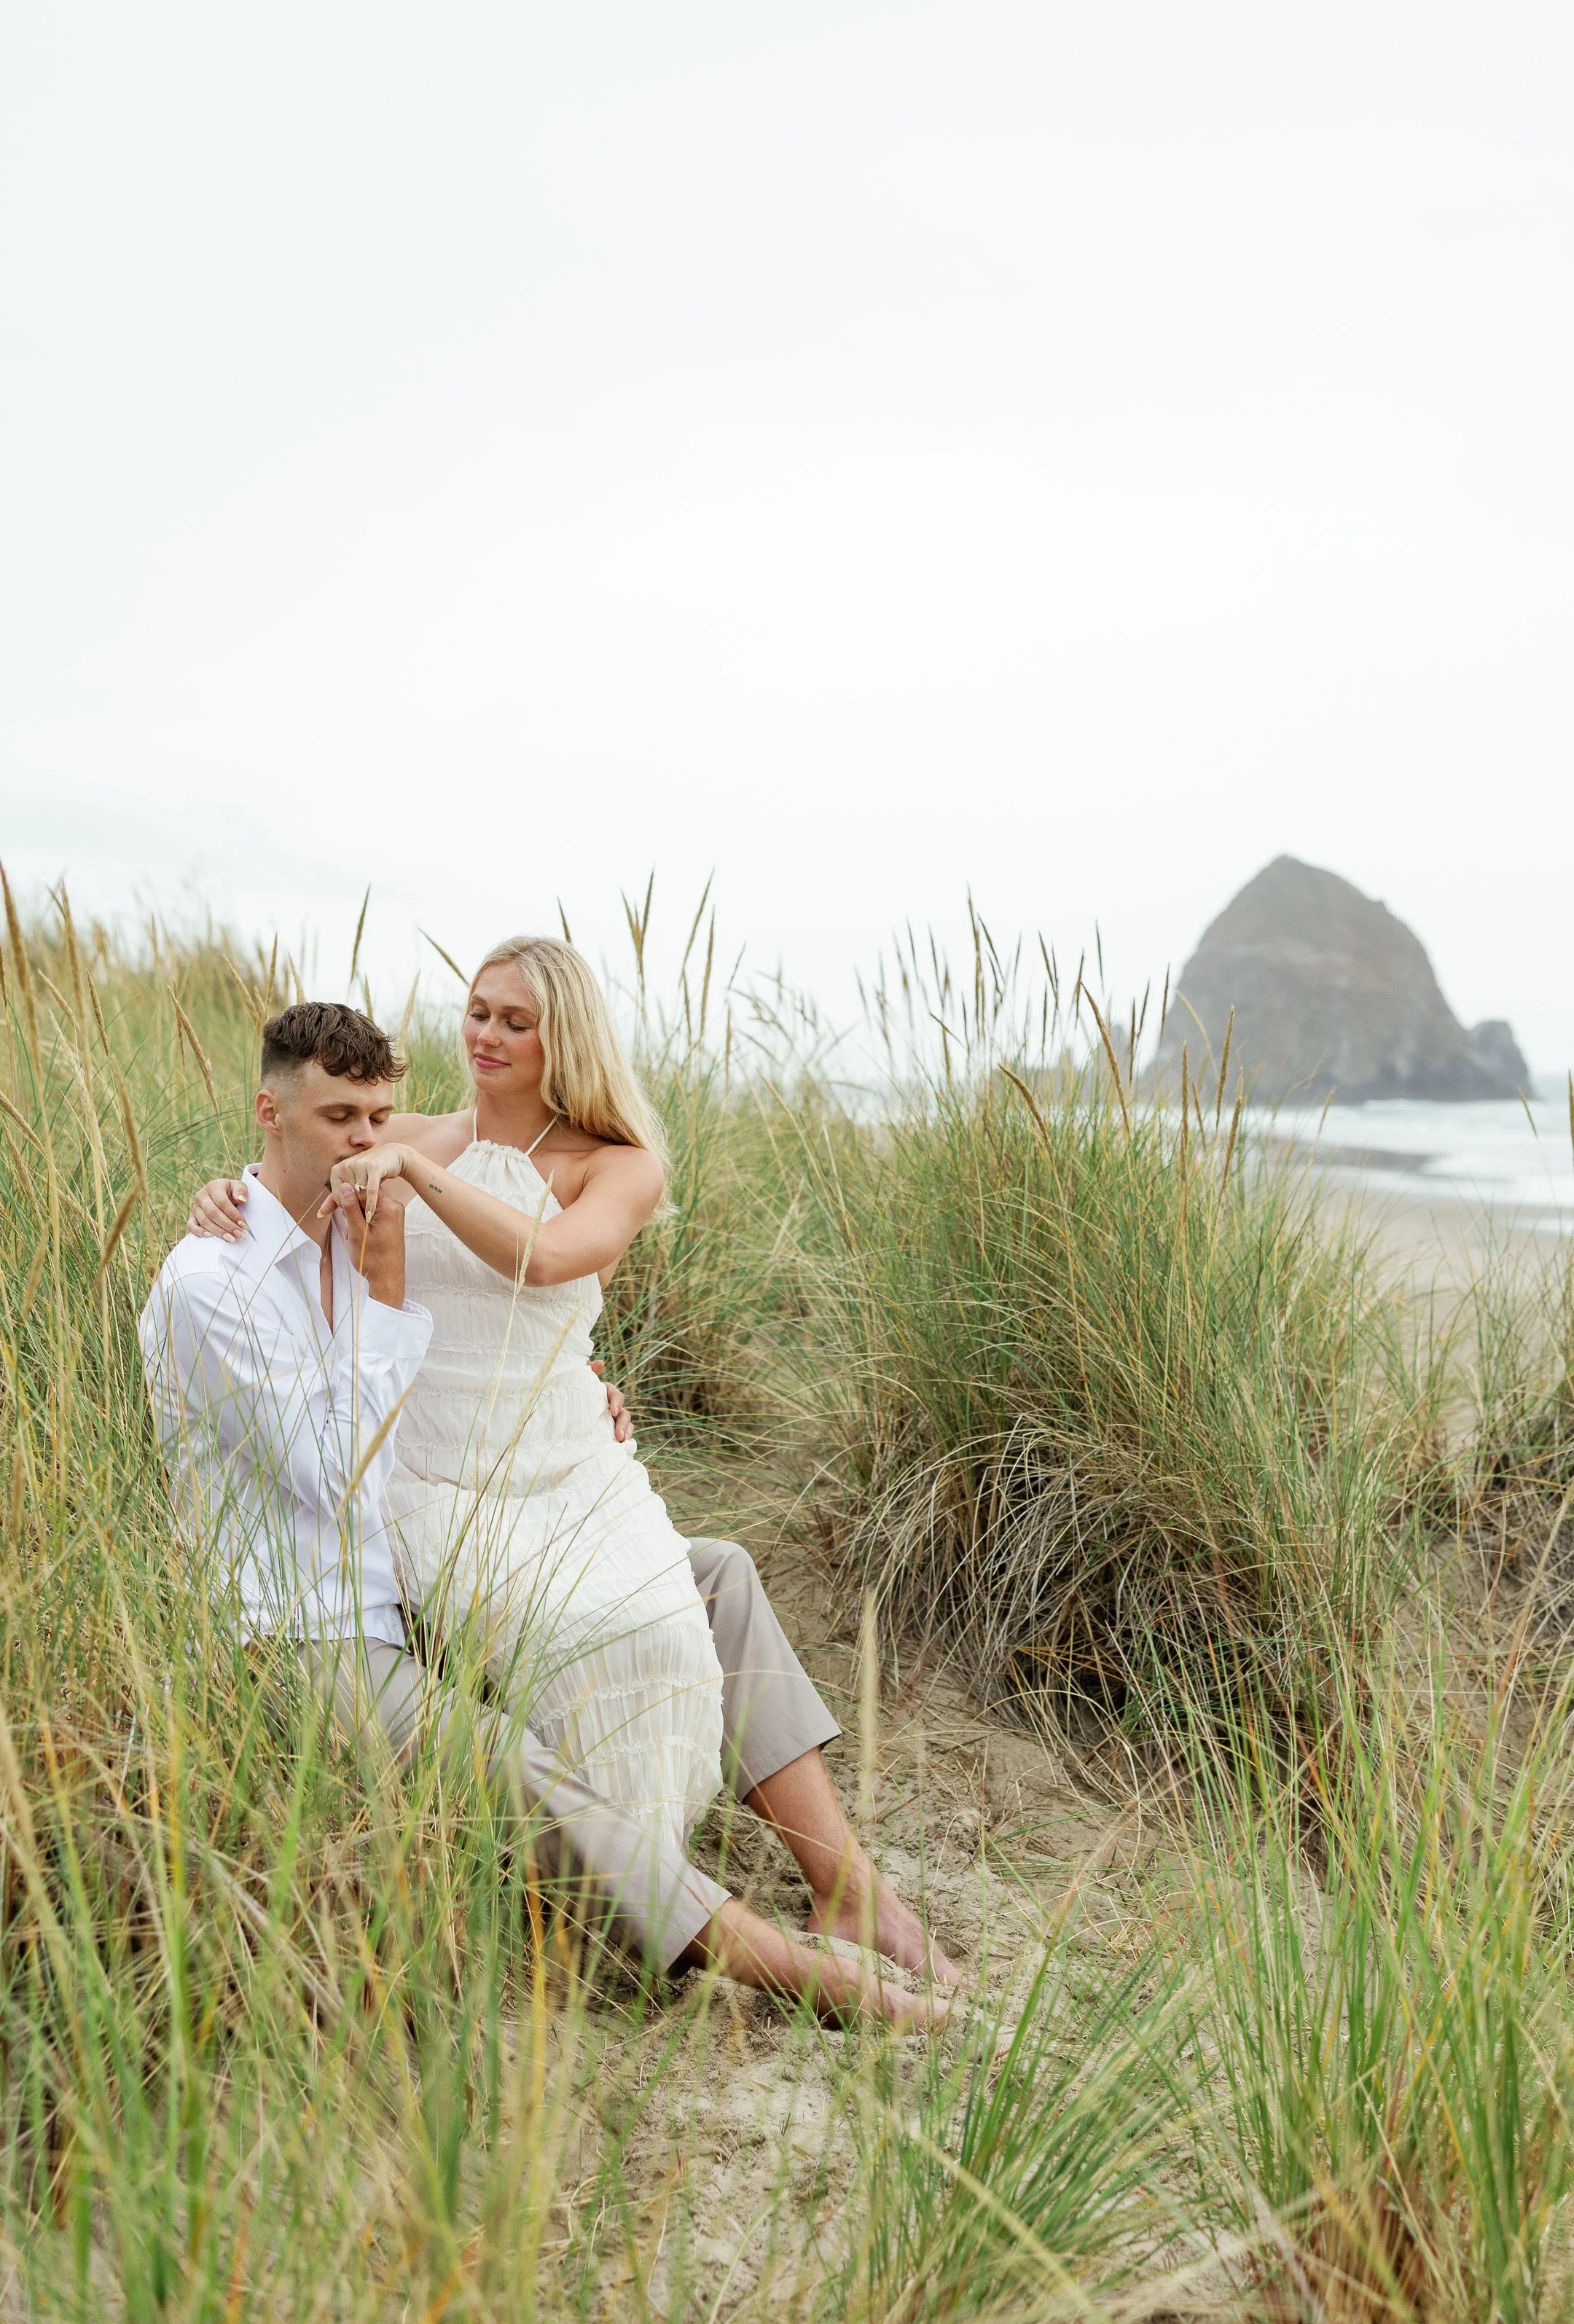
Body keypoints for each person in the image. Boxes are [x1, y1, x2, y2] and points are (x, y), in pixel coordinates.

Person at [164, 998, 954, 2022]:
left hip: (417, 1550)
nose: (365, 1141)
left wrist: (574, 1397)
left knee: (707, 1573)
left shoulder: (346, 1222)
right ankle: (796, 1973)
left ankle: (850, 1890)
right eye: (341, 1121)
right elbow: (340, 1471)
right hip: (307, 1626)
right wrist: (383, 1279)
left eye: (376, 1119)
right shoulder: (218, 1282)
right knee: (507, 1764)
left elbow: (497, 1324)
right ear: (271, 1116)